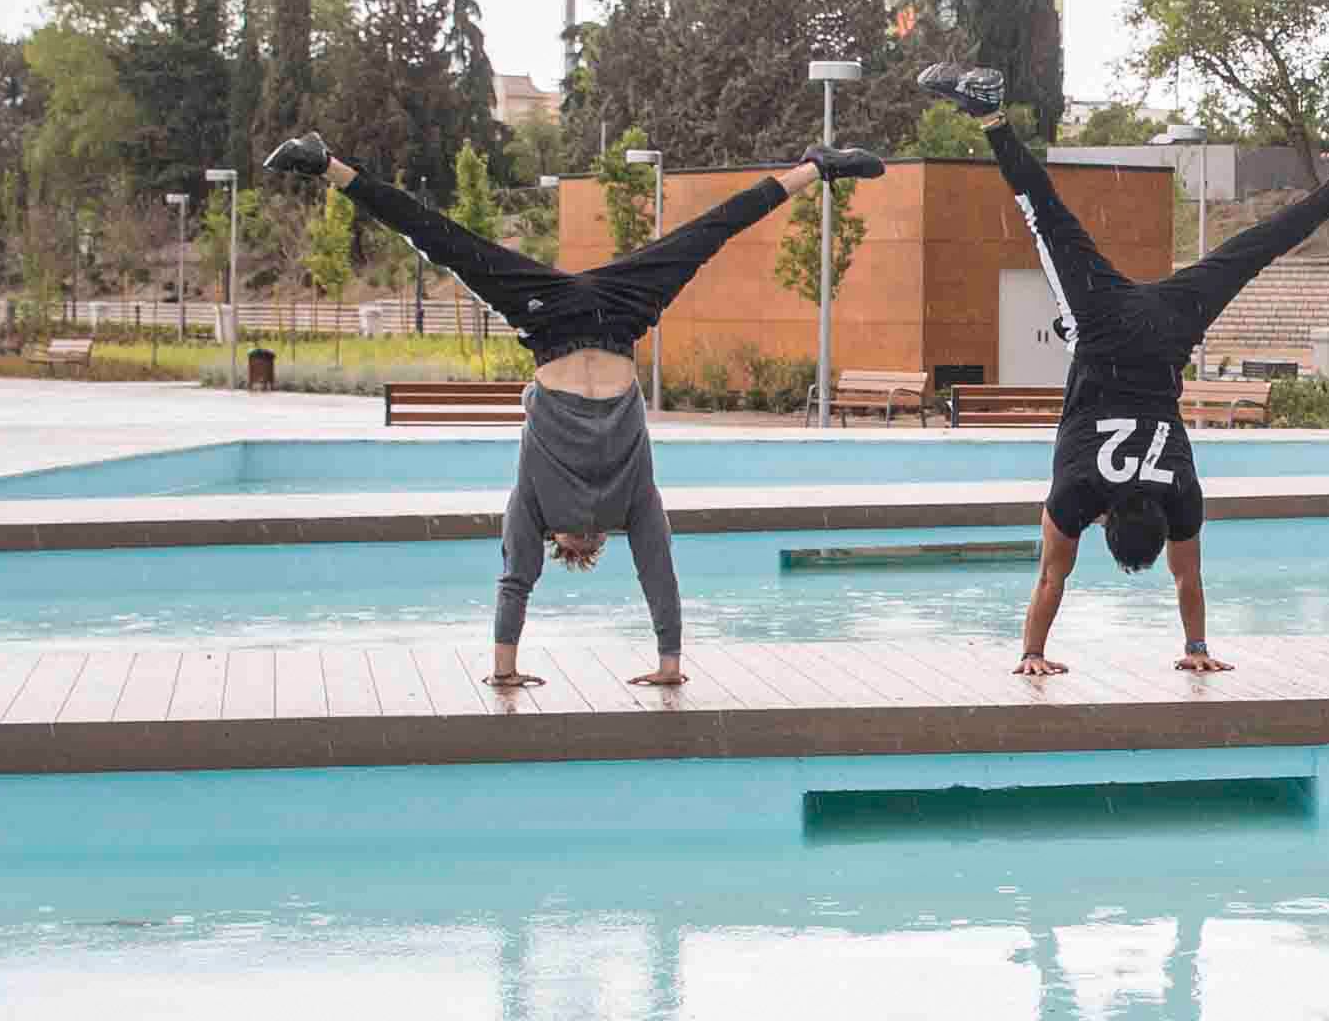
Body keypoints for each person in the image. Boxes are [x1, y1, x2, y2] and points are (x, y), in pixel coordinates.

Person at [263, 130, 879, 693]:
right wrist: (670, 662)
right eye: (591, 546)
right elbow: (657, 572)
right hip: (619, 317)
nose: (582, 539)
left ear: (556, 540)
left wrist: (503, 669)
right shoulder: (630, 503)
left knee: (442, 239)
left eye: (570, 547)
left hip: (549, 321)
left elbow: (515, 578)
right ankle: (816, 168)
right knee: (707, 233)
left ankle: (325, 165)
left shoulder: (536, 503)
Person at [913, 67, 1329, 676]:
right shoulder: (1077, 496)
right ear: (1104, 521)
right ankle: (989, 115)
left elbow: (1188, 581)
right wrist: (1032, 655)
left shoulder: (1180, 498)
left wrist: (1198, 650)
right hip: (1104, 328)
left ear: (1158, 525)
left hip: (1167, 328)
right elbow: (1050, 578)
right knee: (1045, 213)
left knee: (1252, 252)